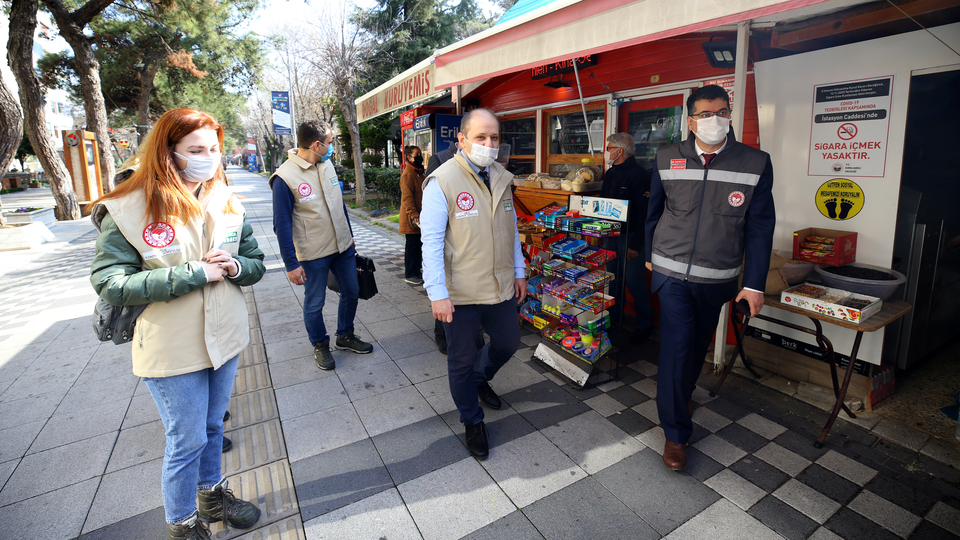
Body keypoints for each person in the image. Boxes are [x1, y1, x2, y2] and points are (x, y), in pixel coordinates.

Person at [89, 108, 266, 539]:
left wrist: (236, 266)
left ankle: (211, 495)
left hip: (224, 337)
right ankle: (183, 522)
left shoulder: (225, 199)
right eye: (196, 150)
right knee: (185, 439)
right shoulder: (130, 207)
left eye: (214, 149)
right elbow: (109, 282)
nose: (208, 157)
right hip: (172, 345)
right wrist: (192, 274)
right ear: (168, 153)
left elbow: (256, 263)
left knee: (211, 427)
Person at [645, 85, 776, 471]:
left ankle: (681, 393)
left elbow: (760, 227)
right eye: (703, 114)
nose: (713, 120)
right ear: (690, 120)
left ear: (730, 114)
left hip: (717, 278)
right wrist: (651, 254)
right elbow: (653, 210)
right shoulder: (668, 156)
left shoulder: (755, 162)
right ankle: (675, 434)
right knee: (678, 345)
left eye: (720, 112)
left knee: (696, 343)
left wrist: (753, 284)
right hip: (670, 272)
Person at [420, 109, 526, 460]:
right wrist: (437, 294)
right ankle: (472, 419)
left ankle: (481, 379)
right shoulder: (443, 180)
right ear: (461, 140)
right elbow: (431, 241)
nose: (489, 144)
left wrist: (520, 271)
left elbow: (510, 232)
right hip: (461, 292)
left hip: (499, 286)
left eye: (494, 137)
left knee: (509, 342)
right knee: (461, 360)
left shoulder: (500, 176)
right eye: (481, 137)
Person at [270, 120, 373, 371]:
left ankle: (344, 335)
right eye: (329, 142)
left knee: (351, 291)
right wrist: (291, 264)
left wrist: (349, 235)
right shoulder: (284, 177)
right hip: (313, 254)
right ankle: (320, 344)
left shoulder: (326, 166)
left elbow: (339, 203)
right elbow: (281, 225)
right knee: (314, 303)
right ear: (316, 144)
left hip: (343, 248)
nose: (331, 147)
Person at [601, 133, 653, 345]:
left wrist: (635, 244)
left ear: (620, 151)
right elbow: (604, 205)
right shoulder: (611, 173)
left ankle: (644, 324)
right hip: (610, 235)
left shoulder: (639, 175)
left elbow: (645, 214)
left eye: (610, 147)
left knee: (634, 281)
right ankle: (614, 317)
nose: (607, 151)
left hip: (630, 238)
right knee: (612, 279)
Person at [399, 145, 425, 285]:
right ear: (409, 157)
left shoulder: (418, 173)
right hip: (412, 218)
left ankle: (416, 272)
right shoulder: (408, 175)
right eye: (417, 155)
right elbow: (407, 198)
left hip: (419, 216)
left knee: (417, 246)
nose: (419, 157)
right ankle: (410, 273)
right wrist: (414, 215)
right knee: (412, 246)